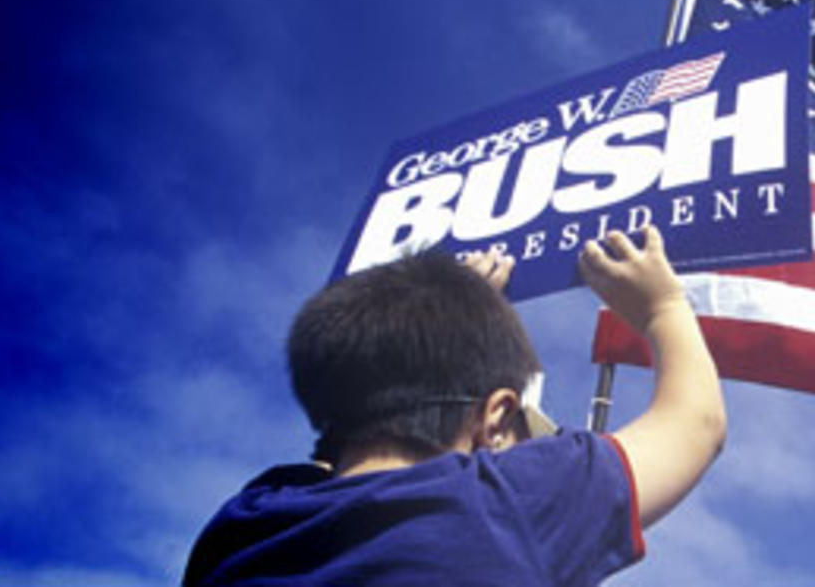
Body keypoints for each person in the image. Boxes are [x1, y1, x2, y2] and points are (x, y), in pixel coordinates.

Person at [183, 226, 725, 586]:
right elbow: (695, 424)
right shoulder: (506, 507)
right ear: (494, 417)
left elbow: (340, 455)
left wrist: (450, 313)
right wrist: (663, 306)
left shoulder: (238, 527)